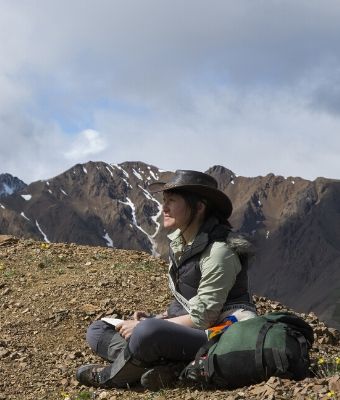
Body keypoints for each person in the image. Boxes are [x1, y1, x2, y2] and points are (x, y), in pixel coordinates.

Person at [76, 170, 256, 391]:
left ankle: (111, 376)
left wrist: (150, 325)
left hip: (219, 335)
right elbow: (187, 303)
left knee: (146, 332)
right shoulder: (182, 245)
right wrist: (159, 317)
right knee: (98, 329)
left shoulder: (220, 251)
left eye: (172, 201)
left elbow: (204, 317)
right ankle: (168, 367)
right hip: (193, 330)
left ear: (199, 207)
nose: (164, 207)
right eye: (164, 200)